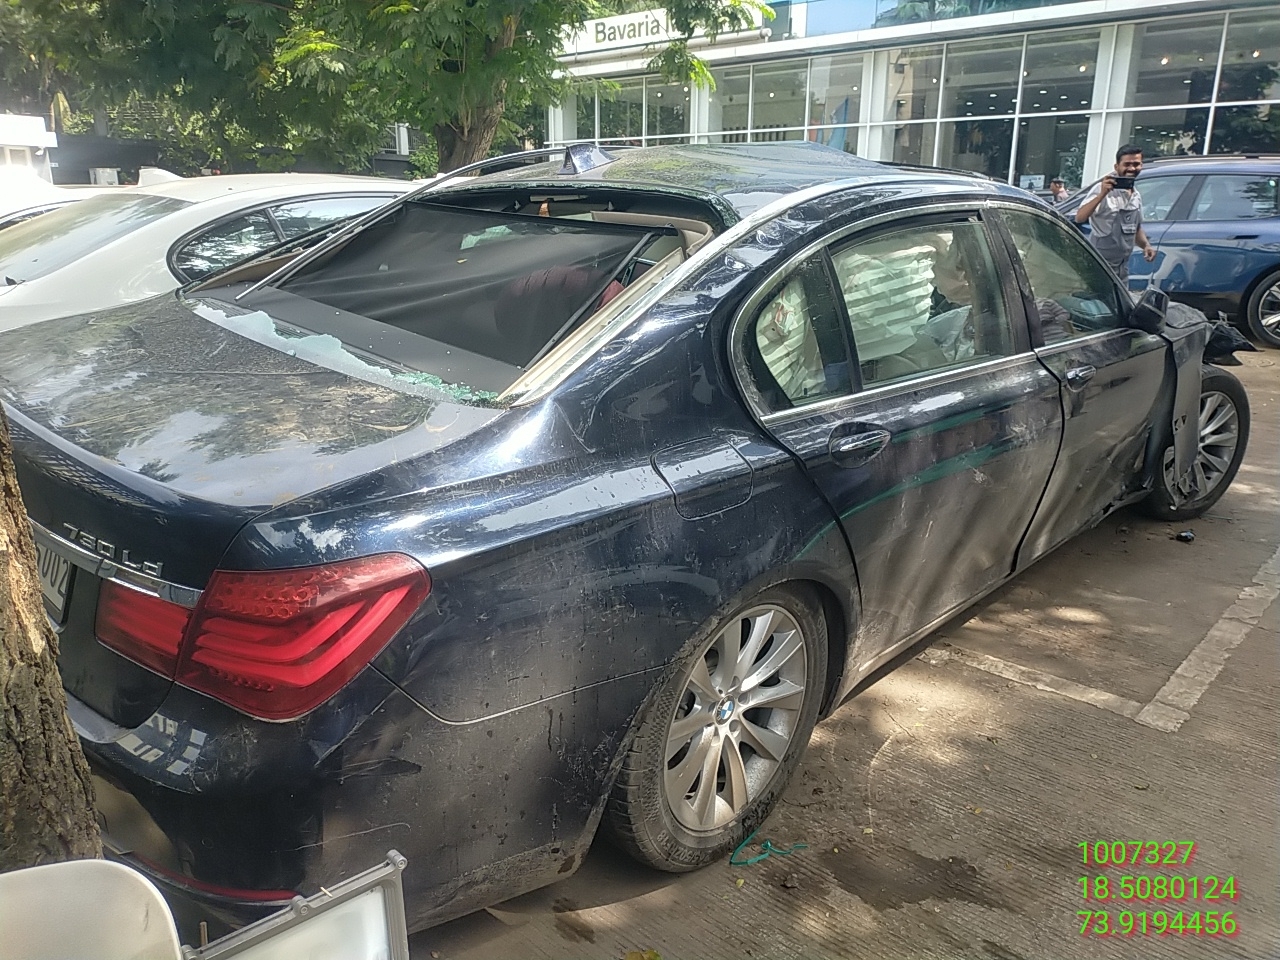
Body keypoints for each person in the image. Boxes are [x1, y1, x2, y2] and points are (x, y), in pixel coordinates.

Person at [1073, 144, 1156, 281]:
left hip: (1122, 267)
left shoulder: (1136, 195)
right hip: (1100, 267)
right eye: (1127, 164)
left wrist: (1146, 246)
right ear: (1116, 167)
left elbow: (1136, 229)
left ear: (1141, 166)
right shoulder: (1102, 189)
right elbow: (1080, 217)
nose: (1131, 168)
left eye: (1136, 164)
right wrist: (1102, 194)